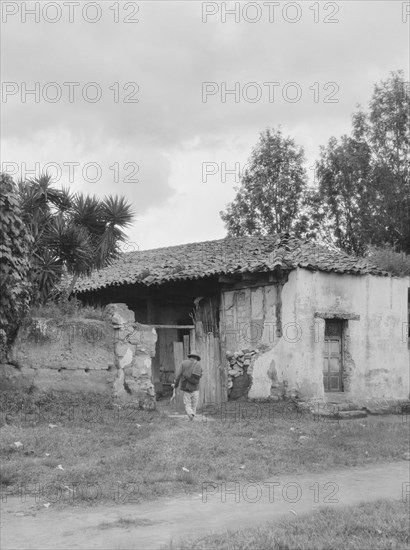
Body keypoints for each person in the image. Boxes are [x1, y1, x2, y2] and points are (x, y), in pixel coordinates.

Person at [173, 351, 202, 420]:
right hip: (196, 387)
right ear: (197, 358)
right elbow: (199, 376)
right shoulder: (198, 365)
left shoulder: (183, 363)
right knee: (194, 404)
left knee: (187, 403)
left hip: (186, 387)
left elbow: (178, 375)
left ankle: (190, 414)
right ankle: (192, 416)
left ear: (190, 357)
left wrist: (176, 385)